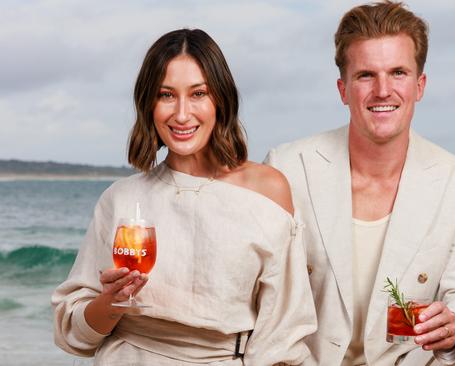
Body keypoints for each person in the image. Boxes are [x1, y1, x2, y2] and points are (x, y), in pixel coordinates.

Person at [265, 2, 455, 365]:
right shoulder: (288, 168)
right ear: (343, 89)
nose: (382, 90)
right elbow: (263, 294)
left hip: (411, 361)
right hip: (309, 362)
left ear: (419, 85)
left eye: (398, 73)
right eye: (365, 75)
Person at [52, 28, 316, 365]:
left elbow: (283, 334)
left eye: (198, 94)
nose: (181, 113)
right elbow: (73, 334)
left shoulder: (268, 191)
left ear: (220, 99)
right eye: (166, 95)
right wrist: (114, 300)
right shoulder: (120, 198)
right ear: (149, 103)